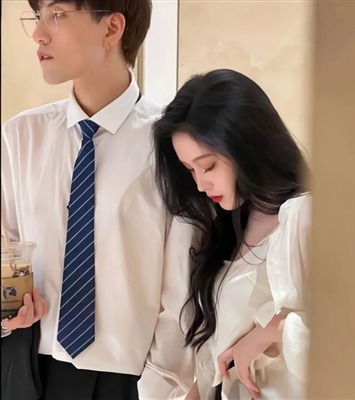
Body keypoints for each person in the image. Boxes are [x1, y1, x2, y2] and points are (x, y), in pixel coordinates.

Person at [1, 1, 195, 399]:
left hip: (129, 380)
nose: (38, 34)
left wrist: (157, 387)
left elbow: (181, 291)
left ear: (111, 29)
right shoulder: (21, 136)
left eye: (57, 15)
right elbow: (8, 252)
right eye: (37, 17)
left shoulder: (172, 143)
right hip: (26, 368)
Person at [153, 69, 311, 399]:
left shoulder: (305, 217)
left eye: (208, 166)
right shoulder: (225, 228)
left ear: (247, 146)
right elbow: (215, 363)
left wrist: (272, 331)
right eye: (190, 170)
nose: (200, 184)